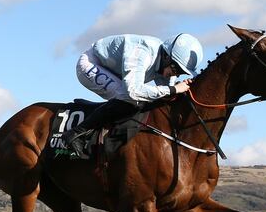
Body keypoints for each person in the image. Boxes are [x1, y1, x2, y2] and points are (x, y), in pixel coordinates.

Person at [61, 33, 204, 157]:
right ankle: (75, 134)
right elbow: (133, 91)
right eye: (176, 68)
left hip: (115, 72)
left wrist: (180, 90)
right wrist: (173, 90)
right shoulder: (142, 51)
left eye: (181, 72)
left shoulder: (165, 63)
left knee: (147, 100)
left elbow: (166, 94)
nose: (176, 74)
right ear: (167, 56)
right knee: (129, 98)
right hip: (91, 64)